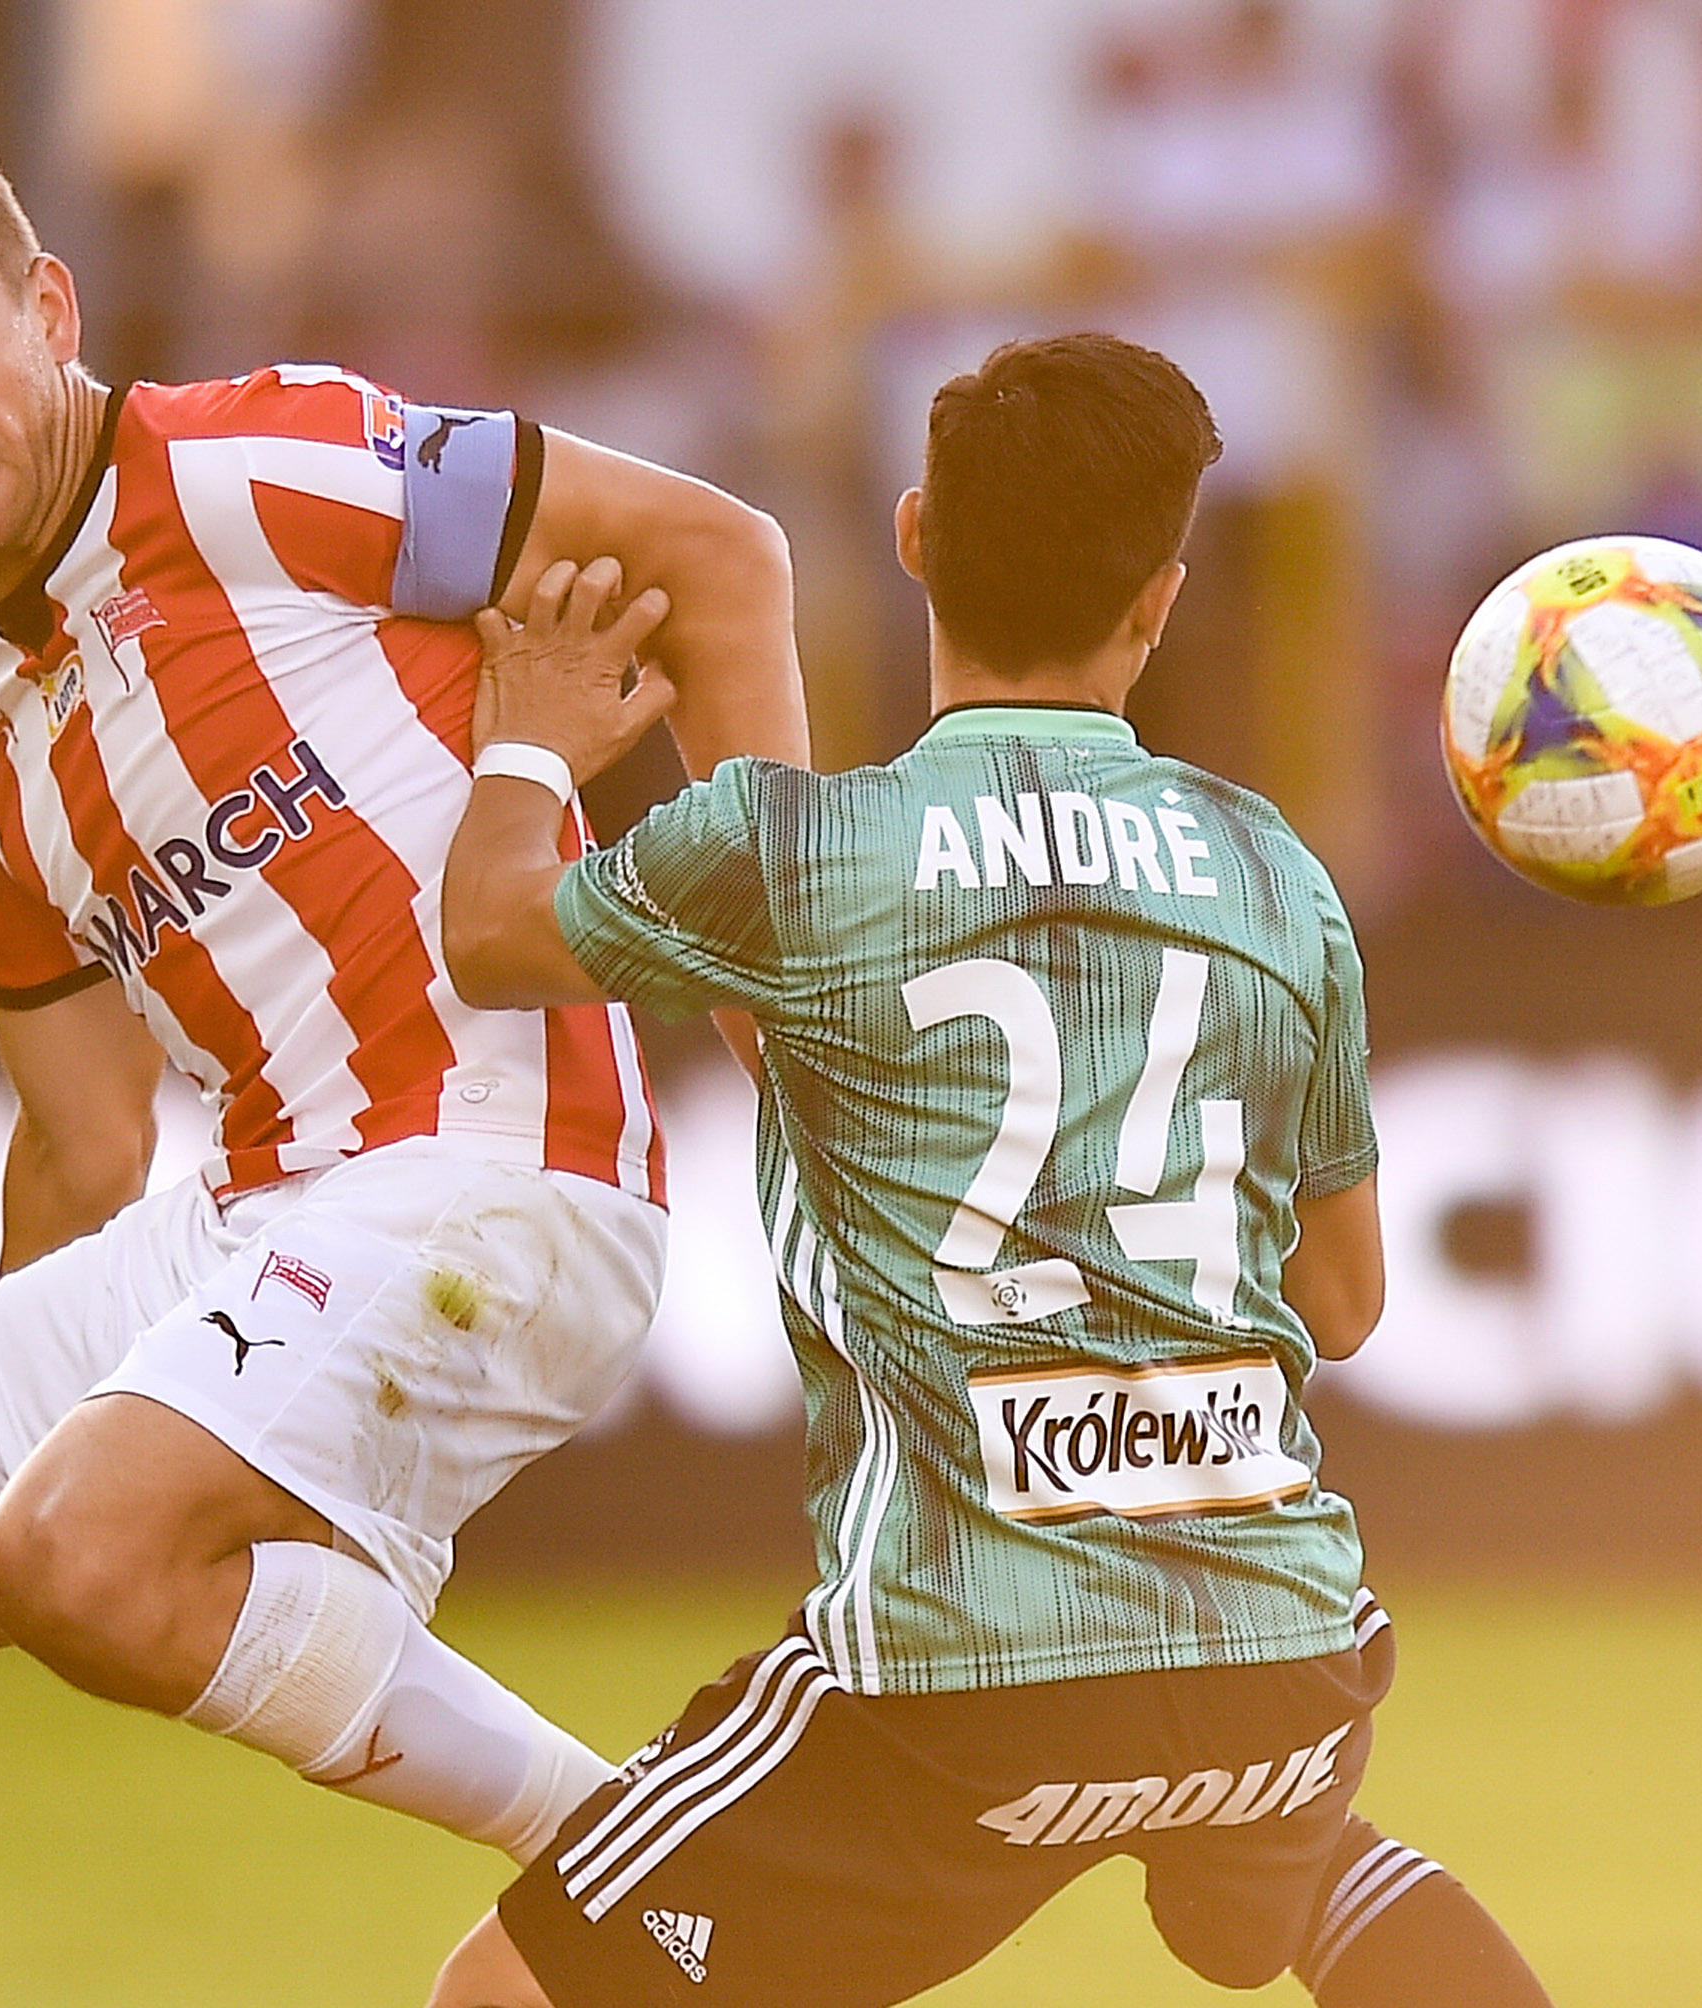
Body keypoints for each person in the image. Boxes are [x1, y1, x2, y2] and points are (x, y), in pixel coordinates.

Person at [0, 101, 809, 2006]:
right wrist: (75, 1424)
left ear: (47, 304)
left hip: (505, 1171)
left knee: (84, 1555)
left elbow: (722, 554)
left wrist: (804, 1023)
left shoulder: (260, 463)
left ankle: (653, 1850)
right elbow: (83, 1139)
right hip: (252, 1207)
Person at [427, 333, 1547, 2007]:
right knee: (1270, 1885)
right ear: (1161, 598)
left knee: (501, 1999)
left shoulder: (794, 850)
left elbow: (495, 934)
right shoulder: (1276, 874)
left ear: (912, 537)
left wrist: (526, 744)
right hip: (1278, 1653)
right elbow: (1348, 1301)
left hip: (961, 1685)